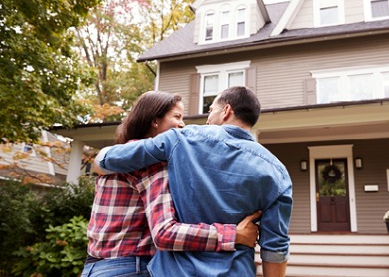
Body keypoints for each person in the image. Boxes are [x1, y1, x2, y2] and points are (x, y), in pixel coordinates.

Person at [95, 86, 293, 277]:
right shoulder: (277, 172)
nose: (207, 118)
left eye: (211, 110)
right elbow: (275, 247)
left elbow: (111, 159)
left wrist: (100, 161)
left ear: (226, 111)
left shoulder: (182, 139)